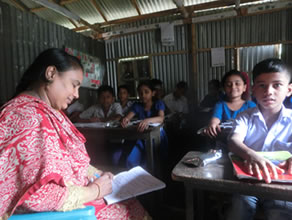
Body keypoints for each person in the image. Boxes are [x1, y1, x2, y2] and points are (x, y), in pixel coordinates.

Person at [0, 48, 150, 219]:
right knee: (125, 211)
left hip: (75, 197)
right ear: (51, 73)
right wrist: (95, 190)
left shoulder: (50, 111)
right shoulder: (24, 116)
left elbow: (71, 161)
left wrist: (98, 174)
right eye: (74, 85)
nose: (76, 94)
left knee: (130, 202)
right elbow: (39, 196)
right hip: (53, 212)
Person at [227, 58, 292, 220]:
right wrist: (250, 154)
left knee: (281, 215)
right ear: (253, 89)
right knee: (239, 211)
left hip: (282, 186)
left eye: (277, 85)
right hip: (249, 183)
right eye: (262, 85)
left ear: (289, 90)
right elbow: (234, 141)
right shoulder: (245, 117)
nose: (268, 91)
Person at [117, 80, 168, 168]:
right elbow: (128, 117)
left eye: (146, 92)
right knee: (131, 160)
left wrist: (147, 120)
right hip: (141, 136)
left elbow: (161, 118)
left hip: (157, 137)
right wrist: (125, 120)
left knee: (156, 162)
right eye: (140, 93)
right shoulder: (137, 105)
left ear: (153, 93)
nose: (143, 95)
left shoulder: (158, 103)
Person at [204, 70, 256, 138]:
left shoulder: (250, 105)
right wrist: (213, 124)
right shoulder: (220, 105)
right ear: (224, 88)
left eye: (237, 84)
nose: (233, 87)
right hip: (224, 142)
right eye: (228, 85)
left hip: (246, 141)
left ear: (244, 87)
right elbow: (215, 118)